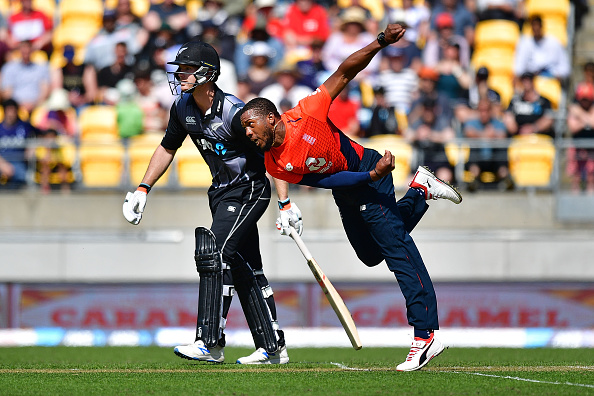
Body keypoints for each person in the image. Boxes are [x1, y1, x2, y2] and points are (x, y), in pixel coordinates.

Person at [239, 24, 462, 371]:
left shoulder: (308, 111)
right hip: (350, 185)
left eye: (251, 125)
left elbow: (345, 71)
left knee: (396, 248)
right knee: (371, 254)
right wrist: (285, 205)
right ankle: (419, 190)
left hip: (370, 170)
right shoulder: (274, 162)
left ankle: (425, 334)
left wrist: (380, 42)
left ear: (271, 118)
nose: (248, 134)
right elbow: (328, 178)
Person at [122, 40, 301, 365]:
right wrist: (142, 188)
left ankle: (209, 341)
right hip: (220, 194)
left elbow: (272, 151)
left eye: (188, 69)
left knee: (215, 253)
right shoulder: (181, 108)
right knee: (247, 267)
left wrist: (285, 204)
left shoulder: (235, 113)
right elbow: (167, 148)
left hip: (249, 190)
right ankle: (273, 347)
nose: (181, 75)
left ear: (208, 74)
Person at [514, 15, 570, 82]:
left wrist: (555, 74)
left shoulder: (554, 43)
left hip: (551, 80)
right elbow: (519, 68)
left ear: (542, 27)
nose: (536, 29)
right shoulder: (525, 44)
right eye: (534, 27)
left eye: (537, 26)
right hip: (531, 81)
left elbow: (565, 68)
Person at [504, 71, 554, 137]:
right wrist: (515, 128)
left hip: (539, 136)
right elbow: (508, 115)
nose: (526, 83)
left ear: (533, 82)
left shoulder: (543, 101)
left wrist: (533, 128)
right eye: (524, 81)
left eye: (528, 80)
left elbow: (549, 118)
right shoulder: (515, 100)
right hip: (518, 135)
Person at [0, 98, 36, 189]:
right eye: (9, 110)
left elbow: (39, 135)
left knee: (23, 176)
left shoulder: (25, 126)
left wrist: (31, 148)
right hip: (2, 161)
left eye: (13, 110)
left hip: (19, 162)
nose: (11, 114)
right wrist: (3, 164)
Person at [566, 83, 594, 193]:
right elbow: (573, 127)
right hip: (577, 145)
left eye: (587, 99)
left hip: (592, 146)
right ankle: (574, 205)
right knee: (575, 177)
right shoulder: (574, 110)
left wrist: (580, 115)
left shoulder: (577, 110)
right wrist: (588, 119)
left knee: (591, 177)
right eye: (582, 99)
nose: (584, 102)